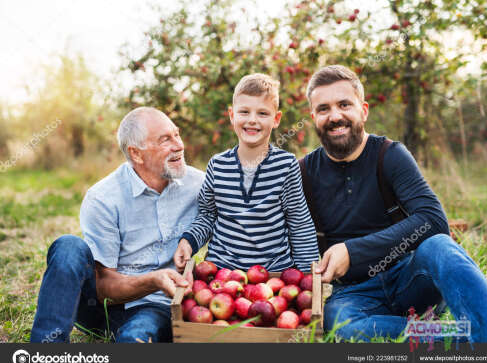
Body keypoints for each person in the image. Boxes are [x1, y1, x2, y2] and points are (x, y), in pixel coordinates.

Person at [303, 65, 487, 342]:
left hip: (409, 278)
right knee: (344, 327)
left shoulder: (389, 154)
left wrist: (353, 251)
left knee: (440, 246)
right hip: (354, 294)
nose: (335, 116)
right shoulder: (302, 172)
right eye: (323, 109)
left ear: (364, 110)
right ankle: (462, 339)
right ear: (313, 117)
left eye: (344, 104)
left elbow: (433, 220)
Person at [30, 107, 204, 343]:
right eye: (165, 140)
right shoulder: (103, 197)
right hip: (101, 305)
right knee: (68, 246)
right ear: (136, 154)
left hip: (155, 307)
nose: (179, 145)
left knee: (136, 337)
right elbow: (103, 287)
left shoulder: (199, 185)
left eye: (177, 134)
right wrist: (152, 280)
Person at [174, 74, 319, 273]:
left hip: (274, 275)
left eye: (262, 113)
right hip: (222, 274)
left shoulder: (286, 166)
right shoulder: (217, 165)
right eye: (244, 112)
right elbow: (207, 215)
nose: (252, 120)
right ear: (232, 115)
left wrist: (308, 276)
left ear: (276, 119)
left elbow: (299, 221)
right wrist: (188, 241)